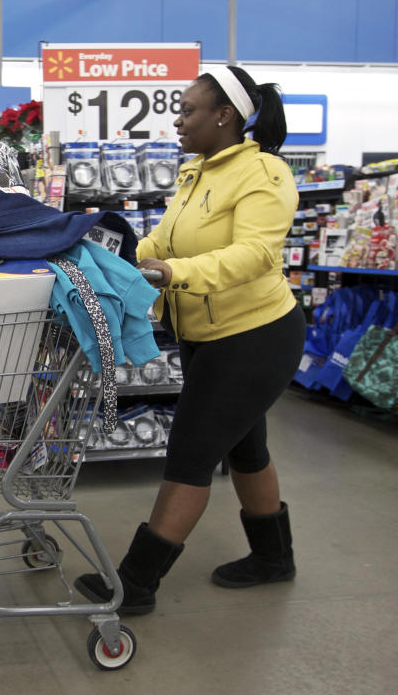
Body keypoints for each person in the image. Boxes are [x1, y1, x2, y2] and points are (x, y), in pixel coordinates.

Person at [75, 65, 306, 614]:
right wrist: (114, 256)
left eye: (188, 111)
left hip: (255, 335)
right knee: (246, 448)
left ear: (224, 115)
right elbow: (165, 238)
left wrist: (172, 274)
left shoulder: (264, 174)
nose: (178, 121)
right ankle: (274, 558)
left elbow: (257, 254)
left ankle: (135, 584)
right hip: (208, 332)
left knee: (190, 456)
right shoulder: (196, 172)